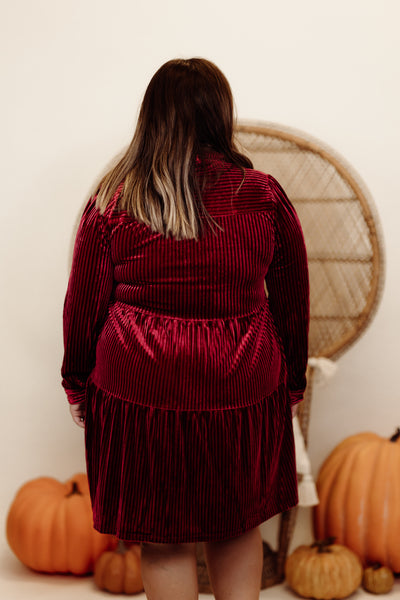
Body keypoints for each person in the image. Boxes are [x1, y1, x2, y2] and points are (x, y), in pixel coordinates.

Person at [61, 58, 309, 600]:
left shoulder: (112, 199)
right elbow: (293, 301)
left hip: (138, 386)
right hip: (241, 381)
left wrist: (78, 382)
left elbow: (83, 303)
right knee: (238, 526)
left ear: (151, 117)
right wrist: (291, 382)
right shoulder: (262, 195)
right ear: (222, 115)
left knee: (164, 539)